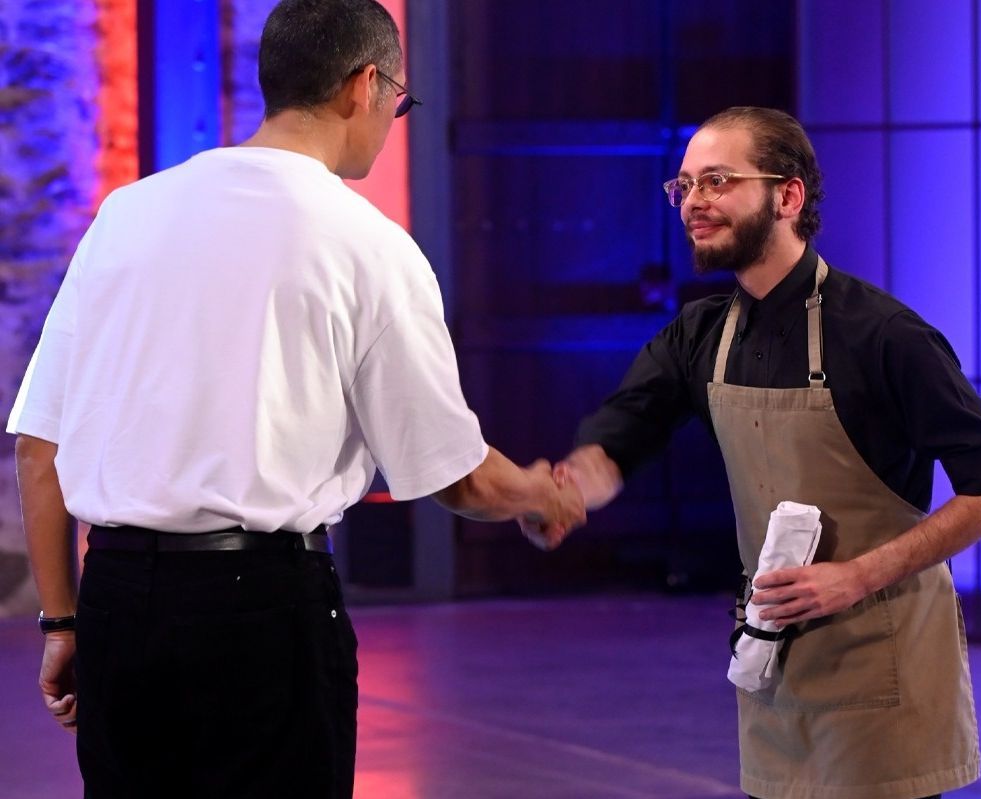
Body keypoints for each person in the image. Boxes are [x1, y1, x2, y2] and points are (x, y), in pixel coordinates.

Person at [7, 1, 584, 797]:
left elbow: (39, 447)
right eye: (400, 101)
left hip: (118, 603)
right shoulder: (370, 245)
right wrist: (539, 494)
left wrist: (63, 621)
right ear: (365, 85)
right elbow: (455, 473)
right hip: (263, 612)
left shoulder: (123, 215)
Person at [550, 107, 981, 799]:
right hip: (773, 668)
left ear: (789, 196)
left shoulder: (885, 335)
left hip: (883, 667)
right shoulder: (700, 335)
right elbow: (620, 438)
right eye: (684, 185)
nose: (693, 202)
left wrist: (857, 575)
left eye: (717, 180)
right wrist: (559, 493)